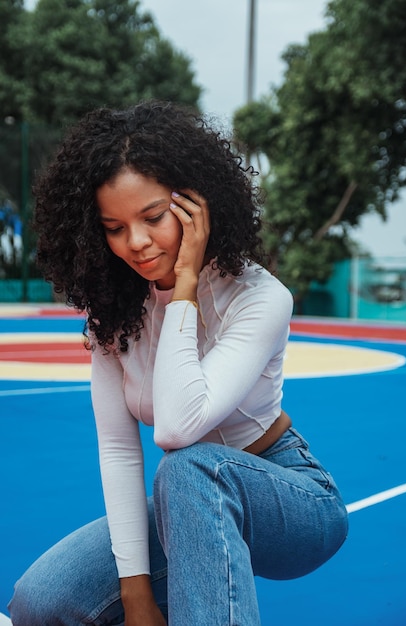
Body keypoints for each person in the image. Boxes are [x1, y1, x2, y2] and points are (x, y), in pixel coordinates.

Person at [8, 100, 348, 626]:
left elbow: (176, 427)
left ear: (195, 206)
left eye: (153, 217)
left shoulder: (260, 298)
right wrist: (136, 595)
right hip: (186, 506)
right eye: (114, 227)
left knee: (188, 468)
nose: (136, 243)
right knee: (40, 602)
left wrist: (184, 286)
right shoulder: (114, 312)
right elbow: (120, 451)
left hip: (290, 495)